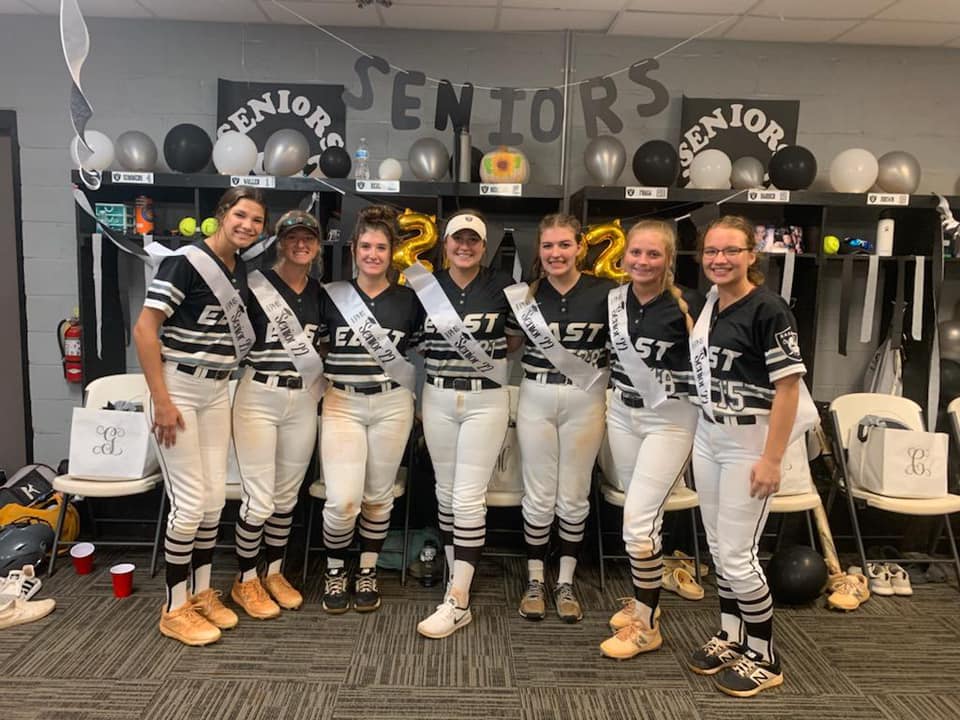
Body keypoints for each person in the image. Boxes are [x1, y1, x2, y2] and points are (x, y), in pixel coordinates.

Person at [133, 187, 266, 646]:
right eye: (241, 215)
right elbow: (145, 329)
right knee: (189, 505)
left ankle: (203, 592)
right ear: (222, 215)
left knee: (212, 503)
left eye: (256, 221)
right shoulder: (185, 261)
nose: (247, 226)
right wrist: (162, 399)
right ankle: (173, 607)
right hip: (179, 389)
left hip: (216, 391)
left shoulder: (239, 268)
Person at [685, 215, 806, 697]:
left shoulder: (769, 310)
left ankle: (764, 653)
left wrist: (772, 459)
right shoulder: (712, 303)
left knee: (738, 557)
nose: (719, 259)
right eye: (711, 251)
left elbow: (789, 389)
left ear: (751, 254)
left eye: (730, 251)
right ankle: (732, 636)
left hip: (749, 443)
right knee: (718, 550)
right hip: (710, 436)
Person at [406, 209, 523, 639]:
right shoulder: (425, 286)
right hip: (437, 396)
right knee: (445, 491)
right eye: (458, 238)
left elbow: (513, 341)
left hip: (485, 399)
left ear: (484, 245)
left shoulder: (503, 287)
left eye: (474, 240)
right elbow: (414, 343)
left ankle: (457, 600)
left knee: (470, 497)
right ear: (446, 243)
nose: (465, 246)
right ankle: (456, 581)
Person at [596, 219, 702, 659]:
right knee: (636, 512)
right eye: (635, 253)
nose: (642, 261)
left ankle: (648, 625)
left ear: (669, 259)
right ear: (624, 257)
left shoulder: (690, 304)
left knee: (639, 524)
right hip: (621, 413)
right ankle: (643, 600)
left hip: (669, 421)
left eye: (653, 254)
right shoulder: (613, 301)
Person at [508, 214, 612, 623]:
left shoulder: (607, 293)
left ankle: (565, 581)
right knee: (536, 494)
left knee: (573, 495)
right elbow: (510, 347)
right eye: (548, 246)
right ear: (540, 251)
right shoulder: (525, 297)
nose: (556, 253)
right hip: (536, 393)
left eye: (564, 245)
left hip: (585, 399)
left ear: (579, 247)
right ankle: (535, 579)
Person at [318, 205, 422, 615]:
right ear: (354, 249)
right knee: (343, 500)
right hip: (342, 401)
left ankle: (366, 569)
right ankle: (333, 570)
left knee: (379, 497)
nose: (373, 254)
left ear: (392, 251)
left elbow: (418, 352)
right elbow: (321, 348)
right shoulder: (332, 296)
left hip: (391, 404)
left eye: (381, 247)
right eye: (366, 246)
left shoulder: (410, 301)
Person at [230, 210, 324, 620]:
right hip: (259, 395)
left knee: (287, 497)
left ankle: (273, 571)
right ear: (279, 242)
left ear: (318, 245)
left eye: (308, 238)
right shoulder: (254, 286)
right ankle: (245, 578)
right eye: (292, 238)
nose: (300, 244)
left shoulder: (321, 294)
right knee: (259, 499)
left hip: (302, 399)